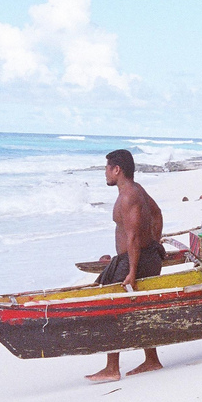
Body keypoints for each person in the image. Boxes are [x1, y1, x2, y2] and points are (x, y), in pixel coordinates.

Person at [86, 149, 166, 382]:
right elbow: (157, 214)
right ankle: (152, 360)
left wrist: (131, 271)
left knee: (112, 310)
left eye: (107, 169)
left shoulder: (128, 195)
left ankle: (112, 368)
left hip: (135, 260)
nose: (105, 173)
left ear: (117, 170)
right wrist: (155, 242)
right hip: (143, 256)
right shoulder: (137, 189)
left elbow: (131, 237)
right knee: (139, 308)